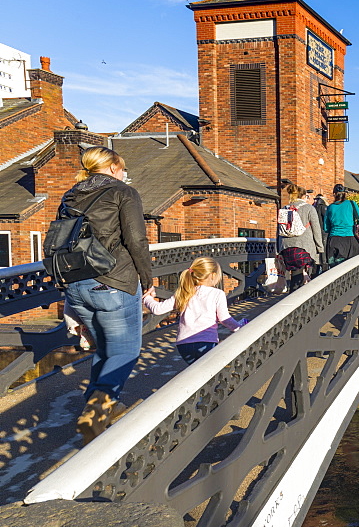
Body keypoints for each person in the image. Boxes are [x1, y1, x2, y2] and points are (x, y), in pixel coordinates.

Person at [61, 146, 154, 443]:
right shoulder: (123, 192)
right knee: (125, 350)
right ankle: (99, 405)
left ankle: (105, 406)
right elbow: (136, 239)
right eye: (122, 167)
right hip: (114, 282)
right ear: (114, 166)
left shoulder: (71, 194)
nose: (124, 172)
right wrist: (147, 278)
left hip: (76, 284)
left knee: (104, 348)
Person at [143, 257, 246, 364]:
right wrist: (240, 328)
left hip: (184, 344)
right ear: (212, 275)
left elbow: (157, 309)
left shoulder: (184, 292)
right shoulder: (217, 294)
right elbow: (224, 319)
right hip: (206, 341)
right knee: (208, 373)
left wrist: (147, 298)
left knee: (195, 371)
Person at [279, 184, 323, 291]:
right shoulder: (309, 208)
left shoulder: (284, 208)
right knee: (305, 272)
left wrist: (278, 250)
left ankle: (294, 295)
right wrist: (320, 248)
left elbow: (279, 230)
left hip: (286, 248)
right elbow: (316, 229)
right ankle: (297, 299)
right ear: (303, 196)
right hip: (304, 247)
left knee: (295, 273)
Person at [324, 183, 359, 265]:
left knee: (334, 269)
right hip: (349, 239)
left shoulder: (330, 207)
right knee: (350, 266)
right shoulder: (351, 204)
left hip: (334, 239)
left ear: (334, 194)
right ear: (345, 193)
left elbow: (325, 227)